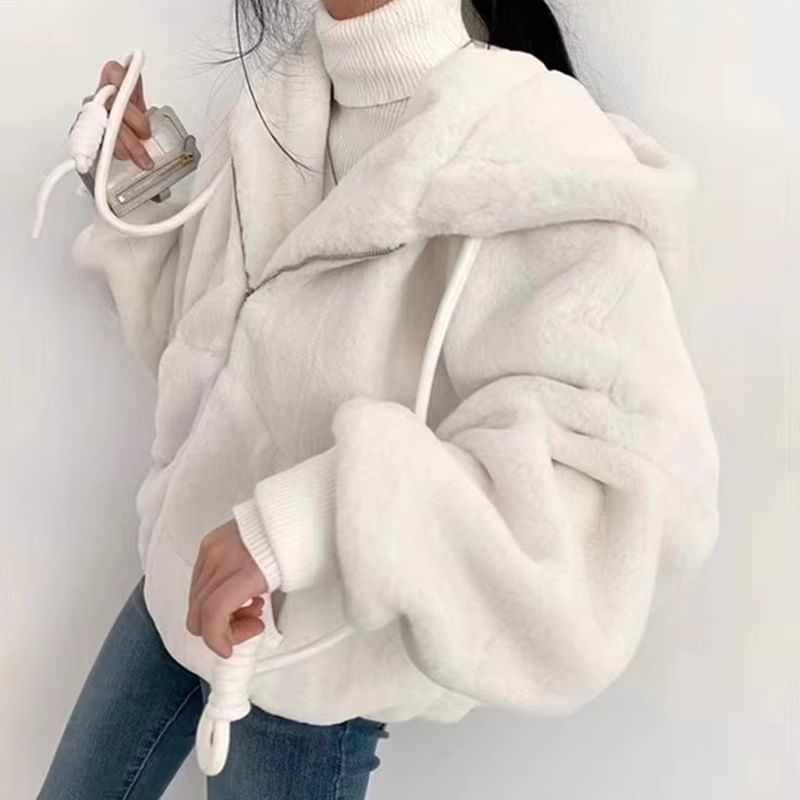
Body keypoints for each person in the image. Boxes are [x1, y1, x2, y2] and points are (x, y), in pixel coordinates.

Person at [36, 0, 721, 797]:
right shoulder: (275, 111)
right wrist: (140, 174)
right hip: (180, 573)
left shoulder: (537, 148)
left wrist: (305, 523)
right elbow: (199, 348)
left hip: (313, 670)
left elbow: (609, 500)